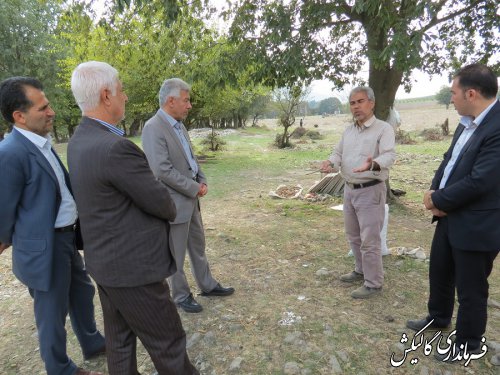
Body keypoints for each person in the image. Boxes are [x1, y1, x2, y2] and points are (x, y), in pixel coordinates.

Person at [67, 62, 198, 375]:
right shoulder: (115, 148)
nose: (126, 97)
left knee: (120, 343)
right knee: (169, 343)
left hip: (106, 265)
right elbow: (163, 203)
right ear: (106, 95)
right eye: (122, 90)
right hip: (133, 271)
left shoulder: (78, 141)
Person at [0, 77, 105, 375]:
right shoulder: (10, 153)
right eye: (43, 107)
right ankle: (60, 369)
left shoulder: (41, 143)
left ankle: (92, 342)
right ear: (19, 116)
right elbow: (3, 208)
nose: (52, 112)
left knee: (82, 293)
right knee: (51, 313)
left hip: (66, 240)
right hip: (44, 249)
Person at [406, 63, 500, 362]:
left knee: (471, 287)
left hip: (478, 223)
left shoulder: (497, 128)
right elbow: (450, 160)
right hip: (449, 215)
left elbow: (480, 181)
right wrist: (434, 192)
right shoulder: (466, 120)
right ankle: (438, 317)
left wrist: (440, 201)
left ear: (471, 93)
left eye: (454, 92)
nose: (451, 99)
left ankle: (469, 343)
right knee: (441, 270)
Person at [142, 78, 234, 313]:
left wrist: (201, 179)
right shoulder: (153, 127)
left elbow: (190, 160)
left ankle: (207, 285)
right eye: (186, 100)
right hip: (173, 203)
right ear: (170, 101)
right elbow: (161, 170)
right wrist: (194, 188)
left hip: (191, 200)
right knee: (176, 253)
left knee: (197, 245)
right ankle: (181, 295)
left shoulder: (179, 125)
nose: (189, 105)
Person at [320, 86, 396, 299]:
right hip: (350, 189)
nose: (356, 107)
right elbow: (338, 153)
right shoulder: (349, 130)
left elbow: (389, 156)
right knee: (353, 235)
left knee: (370, 239)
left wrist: (373, 165)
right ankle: (360, 270)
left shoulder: (383, 129)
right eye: (352, 103)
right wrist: (330, 163)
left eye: (360, 101)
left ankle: (373, 283)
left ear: (371, 103)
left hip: (370, 190)